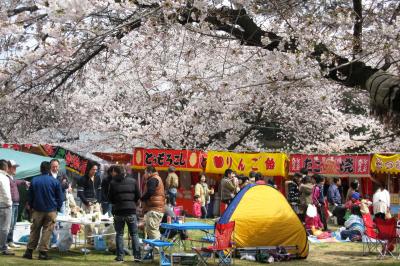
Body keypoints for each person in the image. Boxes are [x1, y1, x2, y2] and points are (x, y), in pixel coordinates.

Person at [23, 161, 63, 260]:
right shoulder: (55, 181)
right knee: (47, 231)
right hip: (51, 210)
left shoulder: (34, 180)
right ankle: (42, 253)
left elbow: (30, 196)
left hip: (37, 210)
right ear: (50, 169)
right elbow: (60, 198)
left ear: (40, 169)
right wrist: (57, 208)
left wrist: (31, 207)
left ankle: (29, 252)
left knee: (34, 230)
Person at [108, 165, 141, 262]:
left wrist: (116, 202)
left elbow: (110, 198)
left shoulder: (113, 182)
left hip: (118, 211)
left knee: (119, 234)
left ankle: (120, 257)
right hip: (131, 210)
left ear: (116, 173)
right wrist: (132, 202)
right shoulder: (133, 181)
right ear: (125, 172)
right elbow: (138, 195)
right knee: (134, 234)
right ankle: (137, 256)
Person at [77, 162, 101, 246]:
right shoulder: (82, 179)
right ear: (89, 169)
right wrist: (86, 202)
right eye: (93, 169)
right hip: (87, 204)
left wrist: (99, 201)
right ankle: (89, 241)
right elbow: (80, 193)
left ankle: (96, 240)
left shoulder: (98, 178)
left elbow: (99, 191)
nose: (95, 171)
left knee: (97, 223)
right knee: (89, 224)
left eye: (96, 170)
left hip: (96, 204)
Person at [6, 160, 29, 248]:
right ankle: (5, 242)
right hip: (10, 204)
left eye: (16, 167)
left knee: (13, 224)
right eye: (14, 167)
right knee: (9, 224)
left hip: (15, 204)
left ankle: (10, 241)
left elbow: (17, 182)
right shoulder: (6, 177)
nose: (15, 169)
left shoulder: (12, 178)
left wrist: (24, 182)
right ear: (8, 168)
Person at [141, 166, 165, 240]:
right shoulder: (157, 178)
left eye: (145, 173)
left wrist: (142, 198)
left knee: (152, 231)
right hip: (157, 208)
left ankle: (156, 250)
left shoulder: (153, 179)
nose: (144, 175)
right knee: (153, 230)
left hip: (154, 209)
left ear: (149, 172)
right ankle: (154, 249)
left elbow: (150, 192)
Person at [0, 159, 14, 256]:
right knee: (5, 228)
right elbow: (6, 193)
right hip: (4, 204)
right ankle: (3, 247)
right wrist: (9, 203)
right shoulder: (4, 177)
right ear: (5, 167)